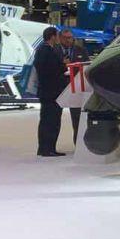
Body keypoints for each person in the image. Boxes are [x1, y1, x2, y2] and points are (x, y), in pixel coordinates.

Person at [33, 26, 69, 157]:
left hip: (46, 91)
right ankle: (48, 148)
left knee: (46, 120)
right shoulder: (47, 51)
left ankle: (44, 148)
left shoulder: (41, 50)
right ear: (53, 37)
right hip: (51, 92)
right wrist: (63, 65)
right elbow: (52, 69)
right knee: (51, 121)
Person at [57, 27, 88, 143]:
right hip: (58, 88)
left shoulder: (81, 50)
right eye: (65, 38)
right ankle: (50, 147)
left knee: (77, 118)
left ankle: (78, 144)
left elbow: (86, 66)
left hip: (76, 89)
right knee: (54, 120)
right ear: (60, 38)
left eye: (70, 38)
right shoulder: (54, 50)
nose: (68, 40)